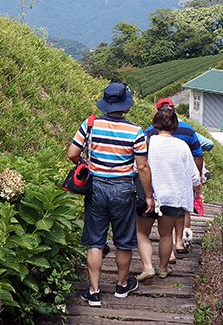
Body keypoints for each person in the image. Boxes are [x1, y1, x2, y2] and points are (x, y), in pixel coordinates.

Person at [67, 81, 153, 308]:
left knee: (95, 240)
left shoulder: (91, 124)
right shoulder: (136, 132)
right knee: (124, 241)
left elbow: (72, 153)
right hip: (123, 189)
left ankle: (94, 292)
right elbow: (142, 167)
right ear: (126, 106)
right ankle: (121, 286)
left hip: (96, 187)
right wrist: (149, 196)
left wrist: (85, 162)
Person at [136, 97, 204, 279]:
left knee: (142, 232)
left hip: (148, 195)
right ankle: (163, 268)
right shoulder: (182, 146)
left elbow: (138, 168)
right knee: (166, 235)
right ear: (175, 126)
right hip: (172, 198)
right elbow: (194, 176)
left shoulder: (147, 142)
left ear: (155, 124)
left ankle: (148, 265)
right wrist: (198, 191)